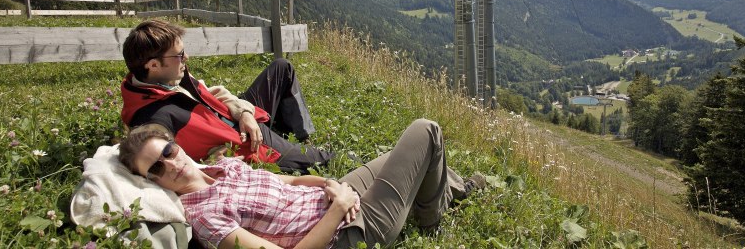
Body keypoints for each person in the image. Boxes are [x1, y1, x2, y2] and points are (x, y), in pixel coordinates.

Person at [119, 119, 486, 249]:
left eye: (167, 150)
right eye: (156, 168)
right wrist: (341, 205)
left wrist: (329, 184)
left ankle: (447, 190)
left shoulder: (224, 166)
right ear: (150, 182)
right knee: (426, 132)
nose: (170, 164)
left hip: (330, 197)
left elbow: (292, 180)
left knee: (406, 157)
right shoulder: (204, 218)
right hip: (345, 231)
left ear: (176, 143)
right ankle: (430, 217)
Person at [120, 19, 333, 174]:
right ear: (154, 65)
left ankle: (300, 136)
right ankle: (295, 149)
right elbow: (161, 165)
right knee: (327, 159)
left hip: (233, 119)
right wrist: (208, 164)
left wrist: (244, 113)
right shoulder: (153, 119)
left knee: (281, 67)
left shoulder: (167, 78)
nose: (186, 57)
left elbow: (212, 94)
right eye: (179, 55)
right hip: (246, 143)